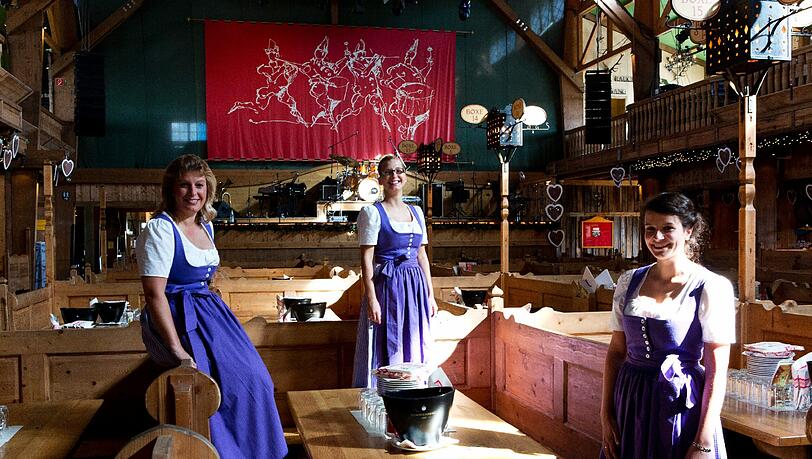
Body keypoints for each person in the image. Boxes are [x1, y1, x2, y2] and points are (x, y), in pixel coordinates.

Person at [136, 154, 287, 459]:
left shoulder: (206, 226)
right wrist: (177, 349)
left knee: (257, 380)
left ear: (208, 188)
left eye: (199, 185)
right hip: (181, 317)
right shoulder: (160, 229)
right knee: (210, 390)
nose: (193, 192)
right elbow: (154, 295)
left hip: (211, 315)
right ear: (171, 189)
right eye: (184, 185)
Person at [600, 192, 735, 459]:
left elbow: (717, 370)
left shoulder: (711, 287)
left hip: (679, 405)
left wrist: (703, 441)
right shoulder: (629, 281)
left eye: (667, 228)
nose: (657, 237)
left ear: (688, 230)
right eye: (650, 229)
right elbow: (616, 352)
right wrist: (605, 414)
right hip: (631, 401)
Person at [352, 154, 438, 387]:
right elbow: (366, 260)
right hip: (387, 286)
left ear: (405, 176)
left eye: (399, 171)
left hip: (415, 287)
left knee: (415, 337)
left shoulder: (416, 212)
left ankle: (413, 391)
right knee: (390, 339)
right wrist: (372, 298)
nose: (394, 176)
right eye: (388, 172)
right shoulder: (372, 213)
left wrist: (430, 295)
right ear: (380, 179)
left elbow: (422, 256)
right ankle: (387, 393)